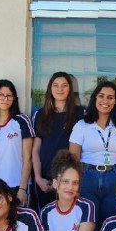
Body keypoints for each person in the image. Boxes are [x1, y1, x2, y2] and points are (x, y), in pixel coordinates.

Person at [69, 81, 116, 226]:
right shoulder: (81, 125)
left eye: (110, 97)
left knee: (113, 223)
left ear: (115, 101)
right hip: (87, 176)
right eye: (101, 96)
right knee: (88, 223)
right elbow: (73, 158)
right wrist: (74, 185)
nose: (105, 101)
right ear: (95, 98)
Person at [32, 72, 85, 209]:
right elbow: (36, 150)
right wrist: (38, 178)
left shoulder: (81, 114)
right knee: (47, 220)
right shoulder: (40, 115)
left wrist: (76, 181)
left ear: (70, 89)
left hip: (69, 181)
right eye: (55, 85)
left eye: (64, 85)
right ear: (50, 89)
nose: (59, 89)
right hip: (45, 179)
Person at [0, 79, 34, 206]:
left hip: (17, 186)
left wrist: (23, 188)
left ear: (14, 99)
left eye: (9, 95)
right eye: (1, 95)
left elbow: (28, 159)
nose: (5, 98)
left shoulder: (21, 121)